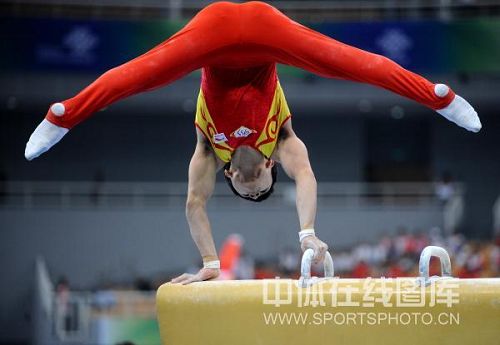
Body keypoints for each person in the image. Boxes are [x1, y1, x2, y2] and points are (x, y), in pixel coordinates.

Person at [24, 1, 482, 284]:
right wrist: (306, 233)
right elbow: (305, 174)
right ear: (269, 167)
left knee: (139, 76)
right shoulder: (281, 138)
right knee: (353, 64)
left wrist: (209, 260)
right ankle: (437, 96)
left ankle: (62, 113)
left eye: (247, 191)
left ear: (230, 175)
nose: (252, 183)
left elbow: (194, 204)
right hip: (265, 33)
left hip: (213, 34)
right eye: (260, 185)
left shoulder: (208, 149)